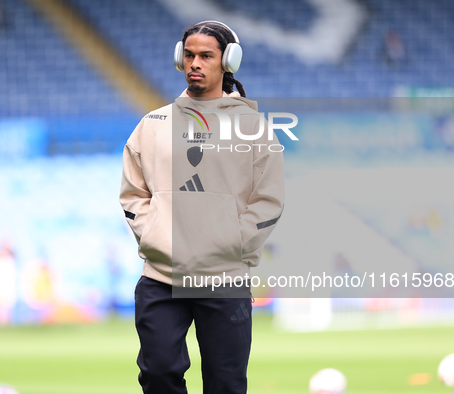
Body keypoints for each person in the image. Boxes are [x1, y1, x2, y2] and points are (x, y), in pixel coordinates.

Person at [120, 21, 285, 394]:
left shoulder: (254, 127)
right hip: (163, 277)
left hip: (225, 278)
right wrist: (154, 236)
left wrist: (232, 242)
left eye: (206, 56)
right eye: (189, 55)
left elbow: (269, 200)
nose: (195, 63)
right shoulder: (154, 124)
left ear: (227, 62)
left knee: (225, 385)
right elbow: (133, 193)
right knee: (158, 374)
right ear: (180, 59)